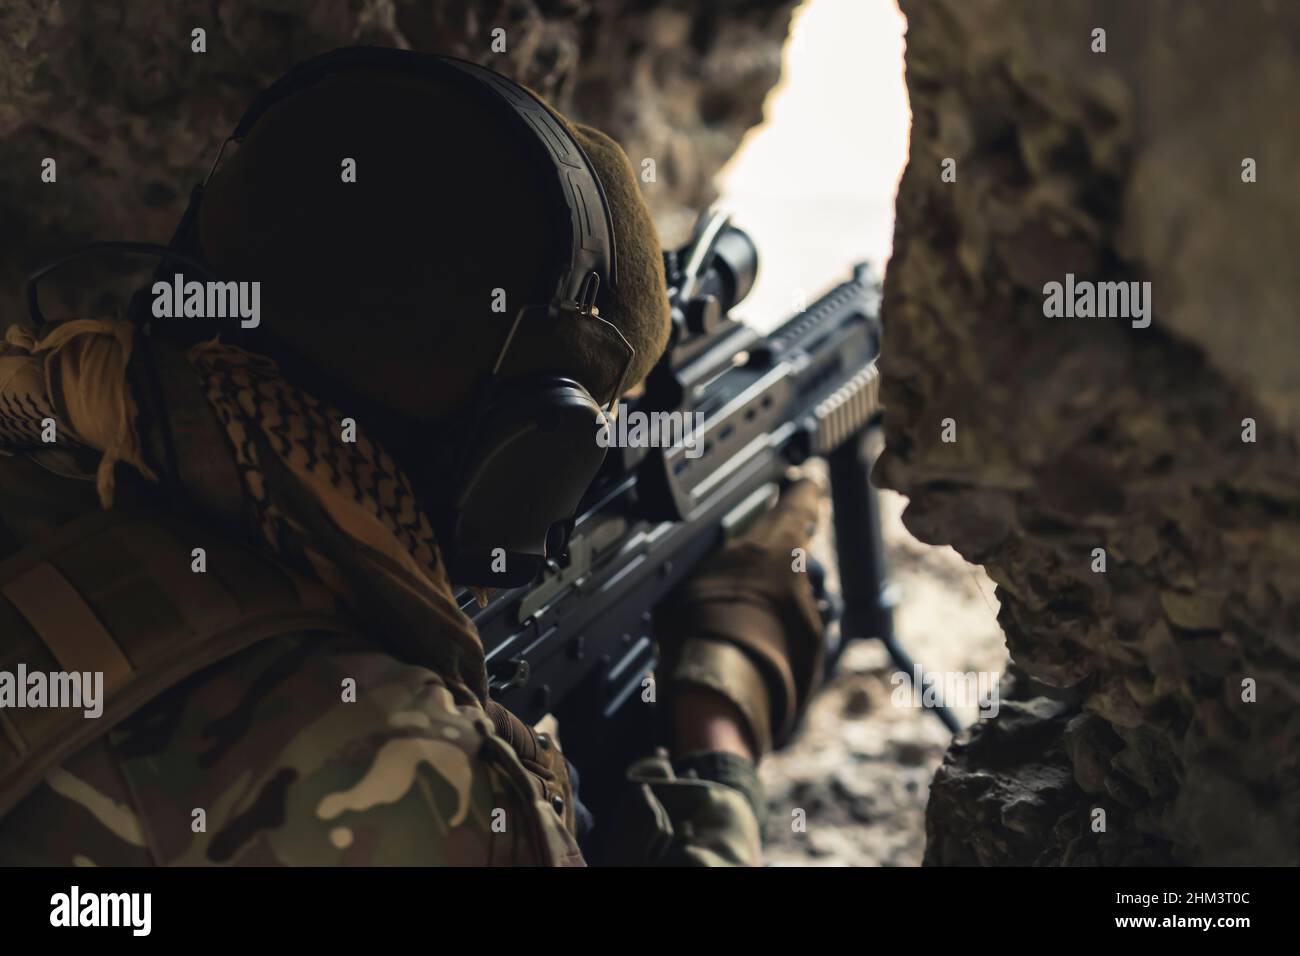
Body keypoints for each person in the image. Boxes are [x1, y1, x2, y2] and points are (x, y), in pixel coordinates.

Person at [0, 49, 824, 866]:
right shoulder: (402, 773)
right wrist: (722, 712)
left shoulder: (45, 447)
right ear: (521, 464)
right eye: (582, 462)